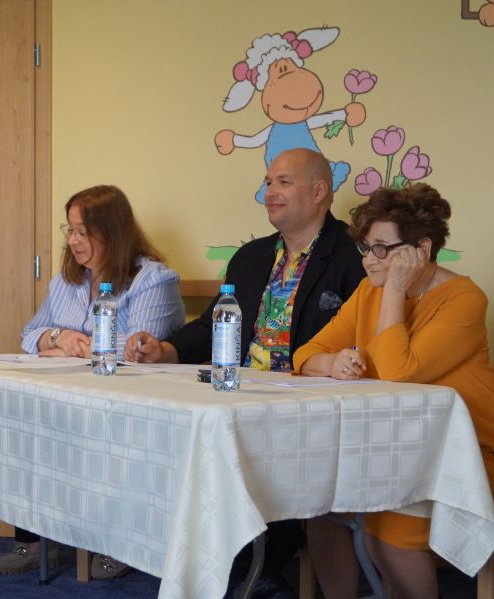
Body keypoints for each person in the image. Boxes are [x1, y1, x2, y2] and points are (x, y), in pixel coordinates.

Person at [123, 148, 366, 589]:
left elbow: (365, 342)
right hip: (242, 402)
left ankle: (250, 565)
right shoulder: (251, 257)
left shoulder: (354, 256)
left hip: (309, 413)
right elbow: (212, 325)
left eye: (283, 182)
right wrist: (167, 350)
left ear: (319, 192)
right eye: (268, 182)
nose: (270, 191)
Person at [292, 183, 494, 599]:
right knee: (322, 504)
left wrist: (395, 290)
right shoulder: (369, 291)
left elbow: (398, 373)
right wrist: (332, 363)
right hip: (393, 446)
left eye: (382, 249)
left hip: (468, 451)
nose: (369, 260)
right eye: (366, 248)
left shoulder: (464, 299)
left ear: (422, 248)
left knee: (389, 519)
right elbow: (306, 353)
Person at [0, 184, 185, 577]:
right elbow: (30, 334)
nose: (73, 241)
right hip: (71, 392)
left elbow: (138, 348)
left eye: (83, 232)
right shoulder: (67, 280)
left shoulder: (153, 279)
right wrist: (57, 337)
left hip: (128, 401)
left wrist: (75, 348)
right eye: (70, 231)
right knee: (25, 420)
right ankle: (35, 540)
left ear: (112, 233)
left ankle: (121, 542)